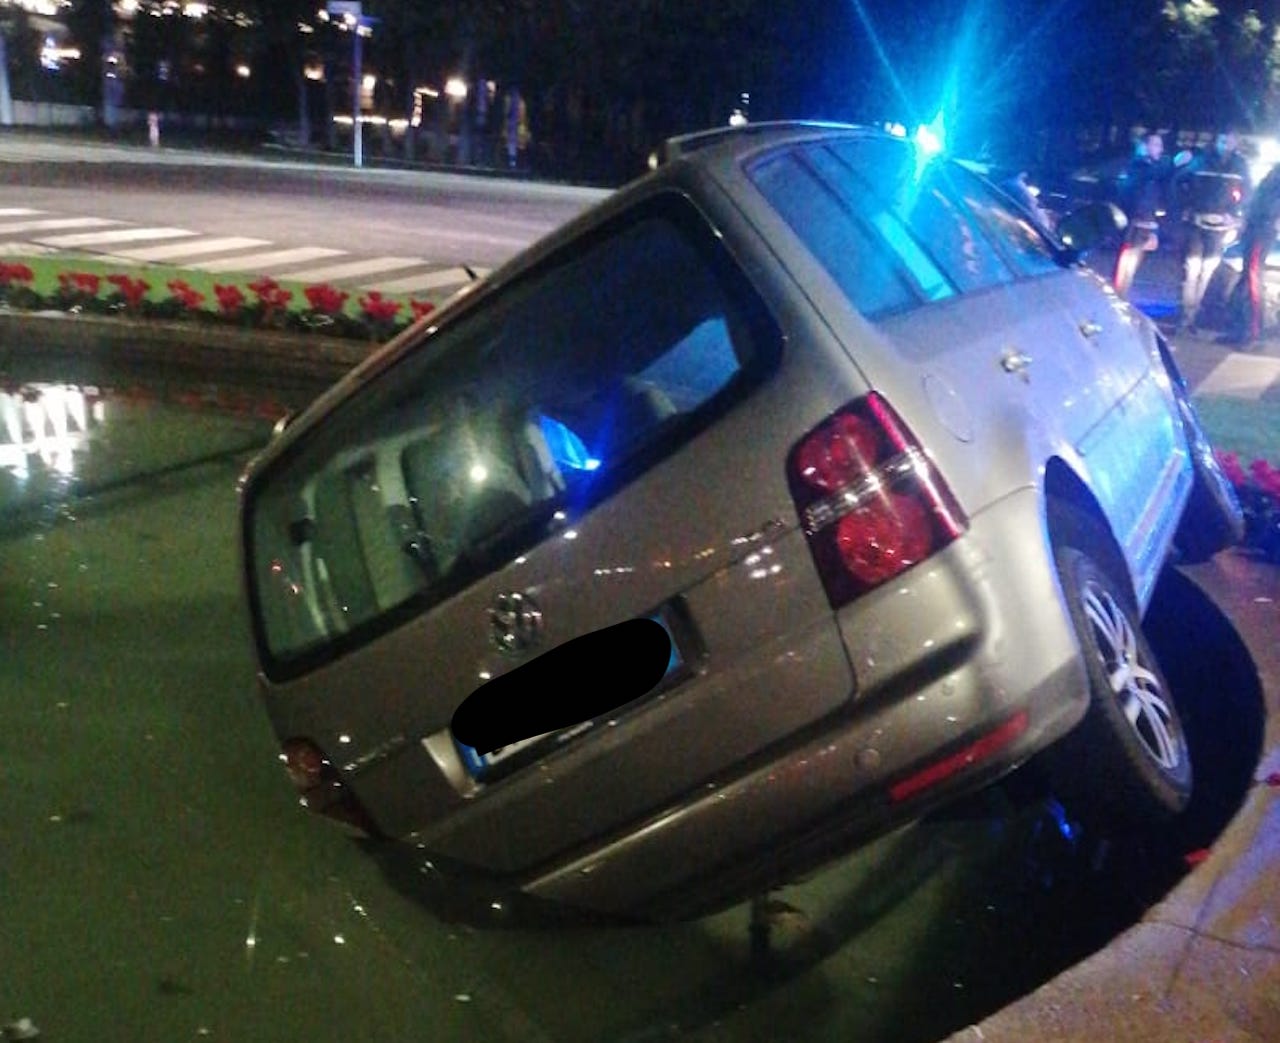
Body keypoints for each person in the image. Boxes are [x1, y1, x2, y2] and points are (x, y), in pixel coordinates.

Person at [1173, 130, 1252, 332]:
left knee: (1207, 271)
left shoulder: (1240, 165)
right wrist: (1186, 208)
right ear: (1217, 141)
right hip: (1196, 223)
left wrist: (1234, 215)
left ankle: (1193, 315)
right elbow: (1179, 183)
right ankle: (1185, 316)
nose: (1226, 145)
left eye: (1231, 141)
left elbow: (1247, 193)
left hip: (1220, 227)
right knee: (1192, 269)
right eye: (1223, 140)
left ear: (1236, 144)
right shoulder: (1201, 161)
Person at [1223, 162, 1280, 345]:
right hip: (1257, 227)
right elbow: (1258, 198)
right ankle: (1239, 328)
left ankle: (1251, 330)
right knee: (1246, 279)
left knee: (1252, 278)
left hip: (1263, 228)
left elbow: (1268, 203)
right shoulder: (1275, 172)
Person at [1112, 132, 1175, 298]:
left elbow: (1157, 197)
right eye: (1155, 144)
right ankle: (1117, 297)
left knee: (1133, 264)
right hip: (1134, 223)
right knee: (1125, 263)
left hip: (1147, 222)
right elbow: (1134, 194)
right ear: (1145, 147)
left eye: (1160, 145)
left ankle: (1121, 296)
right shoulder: (1138, 166)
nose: (1159, 149)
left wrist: (1154, 224)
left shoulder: (1153, 170)